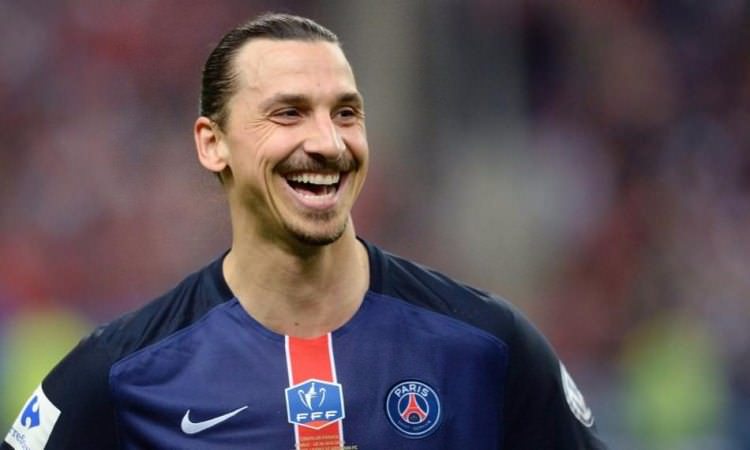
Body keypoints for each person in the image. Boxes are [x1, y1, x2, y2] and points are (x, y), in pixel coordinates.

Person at [3, 12, 607, 450]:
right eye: (288, 113)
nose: (327, 142)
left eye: (345, 113)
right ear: (213, 144)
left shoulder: (487, 347)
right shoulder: (123, 373)